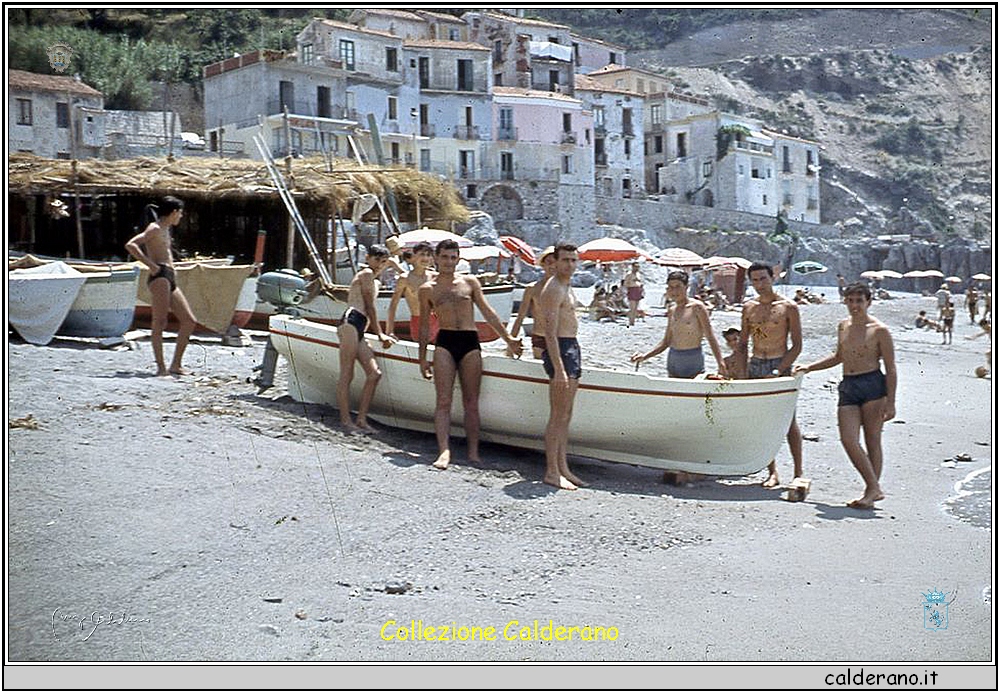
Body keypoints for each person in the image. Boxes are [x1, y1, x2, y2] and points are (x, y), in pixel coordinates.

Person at [418, 239, 522, 470]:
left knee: (471, 402)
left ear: (458, 259)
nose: (449, 262)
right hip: (444, 342)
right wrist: (422, 357)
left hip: (469, 342)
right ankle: (444, 451)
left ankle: (473, 452)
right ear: (437, 258)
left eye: (453, 257)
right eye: (444, 257)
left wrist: (509, 340)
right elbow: (425, 326)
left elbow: (488, 312)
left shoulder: (469, 282)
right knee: (443, 400)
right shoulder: (428, 289)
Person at [794, 282, 896, 509]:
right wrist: (809, 367)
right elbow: (838, 356)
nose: (854, 305)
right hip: (849, 385)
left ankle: (871, 491)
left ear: (868, 302)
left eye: (859, 300)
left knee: (872, 440)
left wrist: (892, 402)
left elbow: (891, 368)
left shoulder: (879, 330)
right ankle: (874, 487)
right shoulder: (843, 326)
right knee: (849, 439)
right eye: (850, 300)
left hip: (872, 384)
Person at [736, 262, 804, 487]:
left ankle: (798, 471)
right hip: (756, 364)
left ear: (772, 277)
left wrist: (779, 370)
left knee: (788, 420)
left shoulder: (788, 307)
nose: (759, 284)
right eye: (754, 280)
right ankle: (772, 471)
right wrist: (741, 372)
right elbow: (744, 343)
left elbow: (797, 345)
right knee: (762, 421)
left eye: (763, 279)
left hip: (779, 364)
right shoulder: (749, 307)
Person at [124, 196, 197, 377]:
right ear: (173, 213)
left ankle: (176, 365)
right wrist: (152, 265)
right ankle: (161, 368)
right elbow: (131, 245)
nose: (180, 217)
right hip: (159, 277)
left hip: (169, 277)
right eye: (180, 213)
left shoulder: (165, 229)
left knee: (189, 321)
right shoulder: (155, 228)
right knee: (160, 322)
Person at [536, 244, 585, 490]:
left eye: (574, 260)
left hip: (571, 347)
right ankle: (552, 471)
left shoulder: (567, 285)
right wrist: (559, 369)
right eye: (566, 260)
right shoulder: (553, 288)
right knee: (557, 415)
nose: (570, 265)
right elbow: (549, 333)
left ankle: (563, 467)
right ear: (555, 262)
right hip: (561, 349)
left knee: (566, 415)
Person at [336, 245, 397, 433]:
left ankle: (361, 420)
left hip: (360, 326)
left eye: (383, 261)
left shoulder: (376, 281)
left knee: (374, 374)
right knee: (347, 373)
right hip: (351, 321)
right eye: (377, 259)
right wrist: (380, 334)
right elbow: (369, 306)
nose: (380, 265)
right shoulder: (366, 274)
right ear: (368, 258)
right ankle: (346, 421)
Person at [630, 270, 727, 379]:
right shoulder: (672, 310)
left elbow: (710, 337)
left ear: (686, 287)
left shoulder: (697, 307)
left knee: (692, 393)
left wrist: (720, 362)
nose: (674, 291)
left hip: (692, 359)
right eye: (671, 287)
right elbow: (666, 342)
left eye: (678, 286)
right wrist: (644, 356)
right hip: (673, 359)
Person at [386, 241, 438, 342]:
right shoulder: (405, 278)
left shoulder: (435, 276)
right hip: (418, 321)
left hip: (437, 322)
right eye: (422, 254)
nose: (426, 258)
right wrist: (390, 332)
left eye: (428, 255)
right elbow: (393, 306)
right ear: (414, 256)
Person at [509, 246, 555, 358]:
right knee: (540, 371)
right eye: (549, 262)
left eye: (556, 262)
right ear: (543, 264)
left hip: (561, 338)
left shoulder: (565, 288)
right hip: (540, 336)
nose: (553, 266)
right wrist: (511, 344)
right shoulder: (532, 289)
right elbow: (520, 318)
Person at [623, 262, 644, 327]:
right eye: (635, 266)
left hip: (638, 290)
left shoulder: (639, 274)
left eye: (638, 267)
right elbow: (625, 284)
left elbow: (641, 282)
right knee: (632, 307)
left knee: (636, 307)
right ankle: (630, 321)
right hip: (632, 289)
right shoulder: (629, 274)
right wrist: (632, 282)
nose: (637, 268)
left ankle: (633, 321)